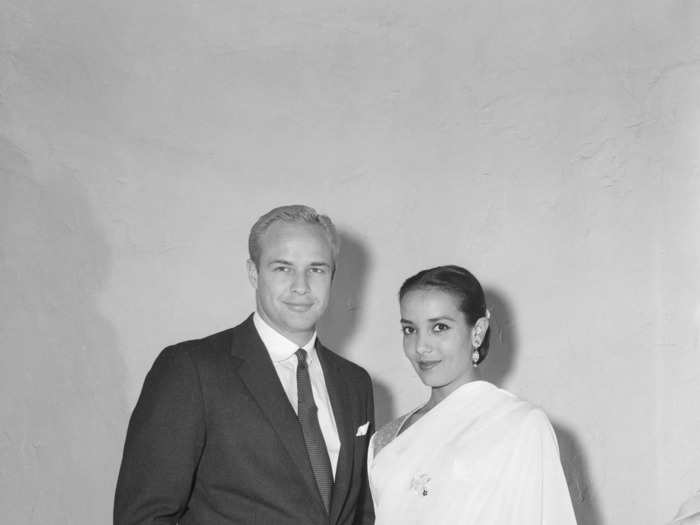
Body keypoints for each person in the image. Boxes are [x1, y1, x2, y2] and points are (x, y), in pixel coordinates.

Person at [114, 205, 375, 525]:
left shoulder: (355, 383)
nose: (301, 286)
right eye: (283, 268)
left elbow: (360, 513)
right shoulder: (191, 369)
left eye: (316, 269)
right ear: (254, 272)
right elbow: (144, 517)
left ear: (332, 275)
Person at [368, 265, 576, 524]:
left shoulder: (520, 425)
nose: (420, 346)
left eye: (440, 327)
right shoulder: (387, 440)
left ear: (477, 331)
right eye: (410, 329)